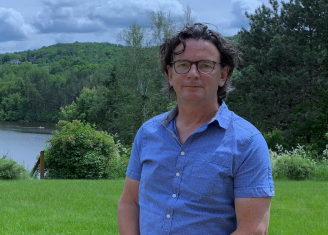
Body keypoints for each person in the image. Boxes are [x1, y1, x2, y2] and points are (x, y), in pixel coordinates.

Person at [117, 23, 275, 235]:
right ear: (170, 74)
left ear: (223, 75)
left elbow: (253, 229)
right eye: (182, 65)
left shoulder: (247, 142)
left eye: (205, 65)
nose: (193, 73)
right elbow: (130, 203)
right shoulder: (148, 134)